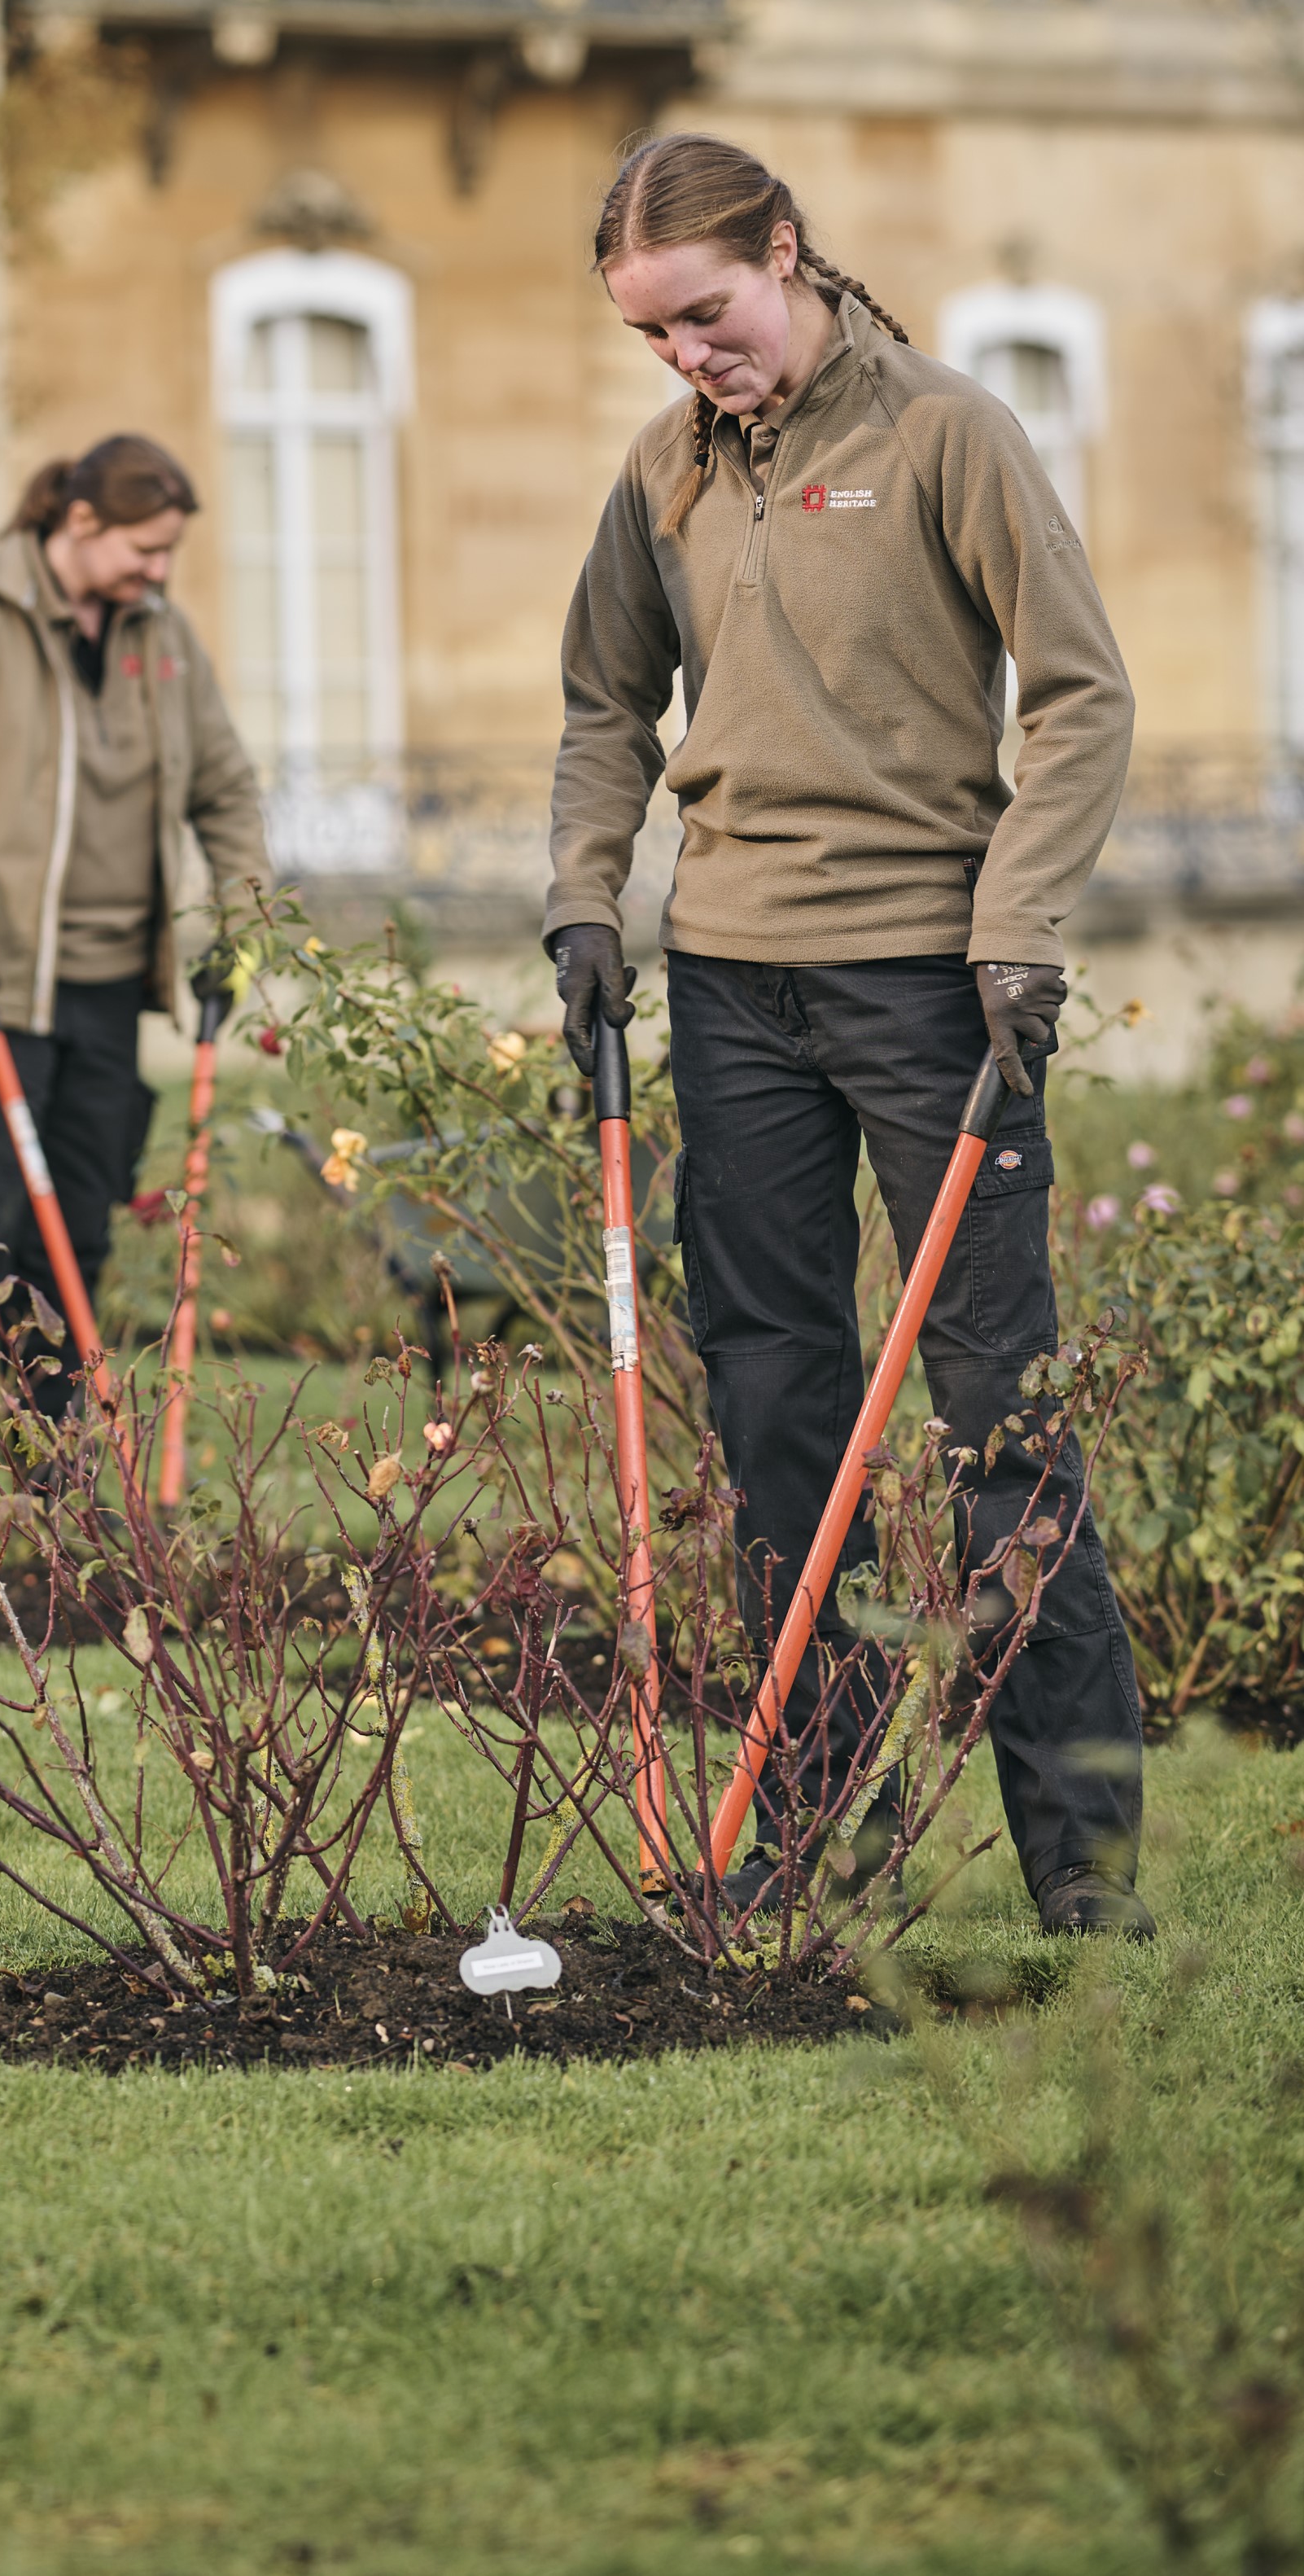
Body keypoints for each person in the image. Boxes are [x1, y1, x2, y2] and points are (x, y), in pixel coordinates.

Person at [544, 129, 1152, 1938]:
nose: (689, 360)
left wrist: (1018, 934)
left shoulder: (944, 433)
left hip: (931, 990)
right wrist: (589, 899)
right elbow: (602, 708)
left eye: (708, 317)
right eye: (654, 335)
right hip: (731, 988)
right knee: (780, 1412)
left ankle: (1088, 1866)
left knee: (997, 1419)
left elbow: (1086, 695)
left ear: (788, 254)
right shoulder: (663, 471)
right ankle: (816, 1819)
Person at [0, 432, 269, 1492]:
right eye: (144, 547)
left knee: (73, 1243)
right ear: (78, 522)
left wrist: (244, 914)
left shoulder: (162, 639)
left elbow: (225, 788)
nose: (158, 571)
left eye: (169, 553)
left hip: (103, 996)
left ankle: (57, 1480)